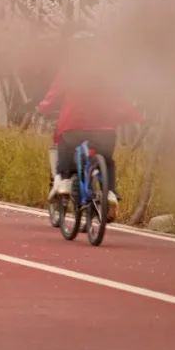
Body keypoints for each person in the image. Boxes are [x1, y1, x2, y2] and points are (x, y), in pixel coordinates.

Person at [36, 30, 142, 222]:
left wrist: (42, 108)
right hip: (105, 129)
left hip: (74, 125)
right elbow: (119, 97)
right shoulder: (106, 70)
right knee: (108, 161)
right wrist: (135, 116)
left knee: (65, 143)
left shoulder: (70, 68)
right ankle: (109, 192)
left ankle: (66, 181)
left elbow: (55, 93)